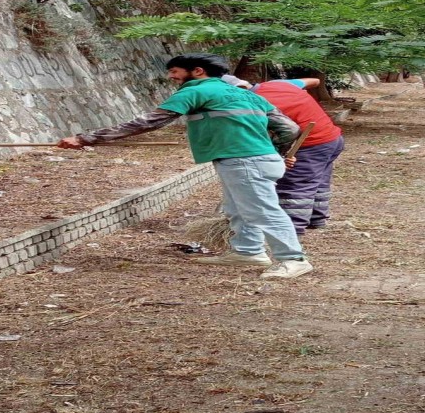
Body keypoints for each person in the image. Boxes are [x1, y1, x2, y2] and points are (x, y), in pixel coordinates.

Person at [57, 53, 313, 279]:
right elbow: (289, 127)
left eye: (175, 71)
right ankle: (248, 252)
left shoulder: (196, 90)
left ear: (198, 71)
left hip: (243, 160)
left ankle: (293, 259)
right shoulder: (246, 94)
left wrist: (86, 138)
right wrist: (277, 153)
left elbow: (148, 122)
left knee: (263, 211)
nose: (171, 77)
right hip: (256, 159)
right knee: (238, 208)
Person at [222, 75, 345, 235]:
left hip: (308, 144)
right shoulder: (278, 84)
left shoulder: (250, 104)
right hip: (332, 139)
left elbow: (275, 134)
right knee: (318, 180)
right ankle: (317, 219)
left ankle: (292, 229)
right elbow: (314, 81)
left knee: (295, 187)